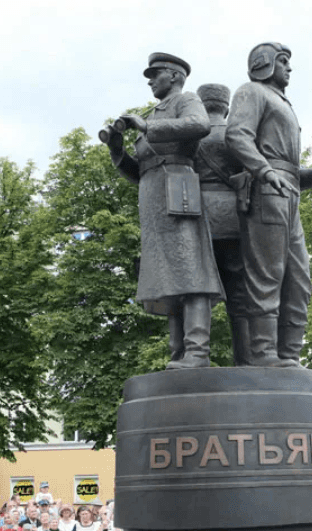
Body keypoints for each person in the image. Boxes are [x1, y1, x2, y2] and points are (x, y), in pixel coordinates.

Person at [106, 52, 224, 369]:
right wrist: (117, 150)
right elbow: (139, 170)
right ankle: (178, 352)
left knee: (190, 270)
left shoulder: (185, 100)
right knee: (166, 277)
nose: (149, 80)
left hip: (178, 190)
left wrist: (146, 126)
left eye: (154, 73)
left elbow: (199, 125)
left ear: (173, 75)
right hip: (152, 196)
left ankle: (197, 351)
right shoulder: (153, 111)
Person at [225, 42, 312, 366]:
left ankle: (289, 356)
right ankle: (262, 354)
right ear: (265, 63)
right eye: (283, 61)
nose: (289, 68)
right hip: (265, 193)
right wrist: (263, 169)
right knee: (268, 276)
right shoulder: (252, 92)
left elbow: (285, 168)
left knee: (300, 280)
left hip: (288, 194)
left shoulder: (283, 102)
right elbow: (237, 135)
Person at [194, 82, 250, 365]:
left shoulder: (189, 136)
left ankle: (194, 354)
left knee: (197, 290)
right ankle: (247, 359)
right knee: (239, 294)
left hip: (195, 218)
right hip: (234, 219)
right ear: (226, 107)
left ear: (201, 106)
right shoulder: (238, 133)